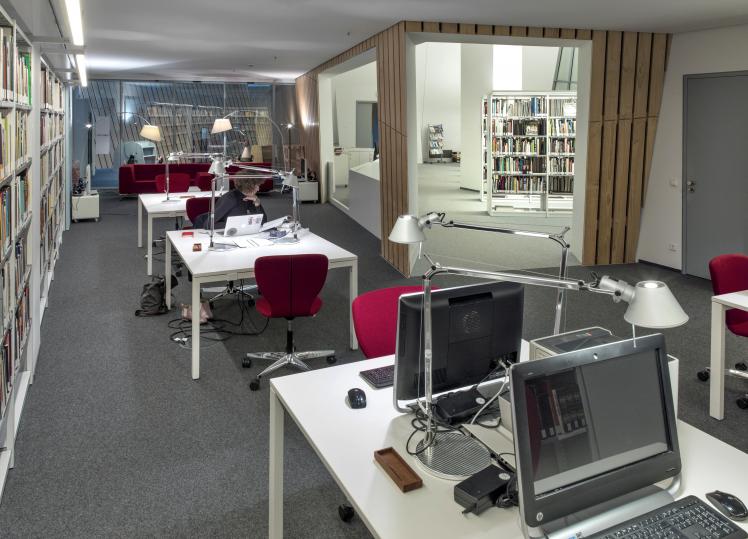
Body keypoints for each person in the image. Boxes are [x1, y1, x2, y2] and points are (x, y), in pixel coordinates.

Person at [193, 177, 268, 229]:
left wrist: (257, 203)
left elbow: (262, 222)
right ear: (248, 185)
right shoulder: (230, 199)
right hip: (213, 235)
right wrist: (237, 224)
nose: (258, 189)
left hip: (235, 234)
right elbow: (209, 225)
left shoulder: (249, 197)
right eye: (256, 186)